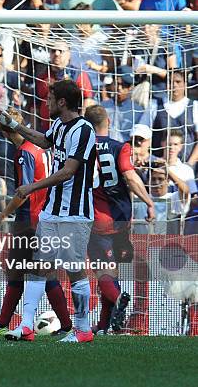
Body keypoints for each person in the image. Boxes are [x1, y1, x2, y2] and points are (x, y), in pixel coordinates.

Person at [0, 79, 97, 343]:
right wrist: (14, 125)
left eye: (50, 99)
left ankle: (83, 329)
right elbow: (43, 140)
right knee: (39, 266)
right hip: (52, 210)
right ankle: (26, 326)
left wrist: (32, 186)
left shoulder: (84, 129)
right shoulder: (58, 126)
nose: (47, 103)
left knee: (75, 269)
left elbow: (68, 171)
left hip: (75, 212)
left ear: (62, 102)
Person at [0, 108, 73, 337]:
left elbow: (24, 192)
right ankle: (66, 325)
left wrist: (1, 216)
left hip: (29, 220)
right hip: (48, 217)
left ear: (4, 131)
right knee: (44, 272)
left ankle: (4, 323)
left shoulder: (23, 153)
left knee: (17, 271)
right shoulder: (41, 148)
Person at [84, 105, 155, 334]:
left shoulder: (80, 149)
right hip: (121, 219)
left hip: (96, 219)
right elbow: (131, 177)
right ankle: (105, 324)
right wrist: (149, 202)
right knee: (110, 272)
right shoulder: (120, 147)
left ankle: (117, 299)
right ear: (109, 123)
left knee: (104, 273)